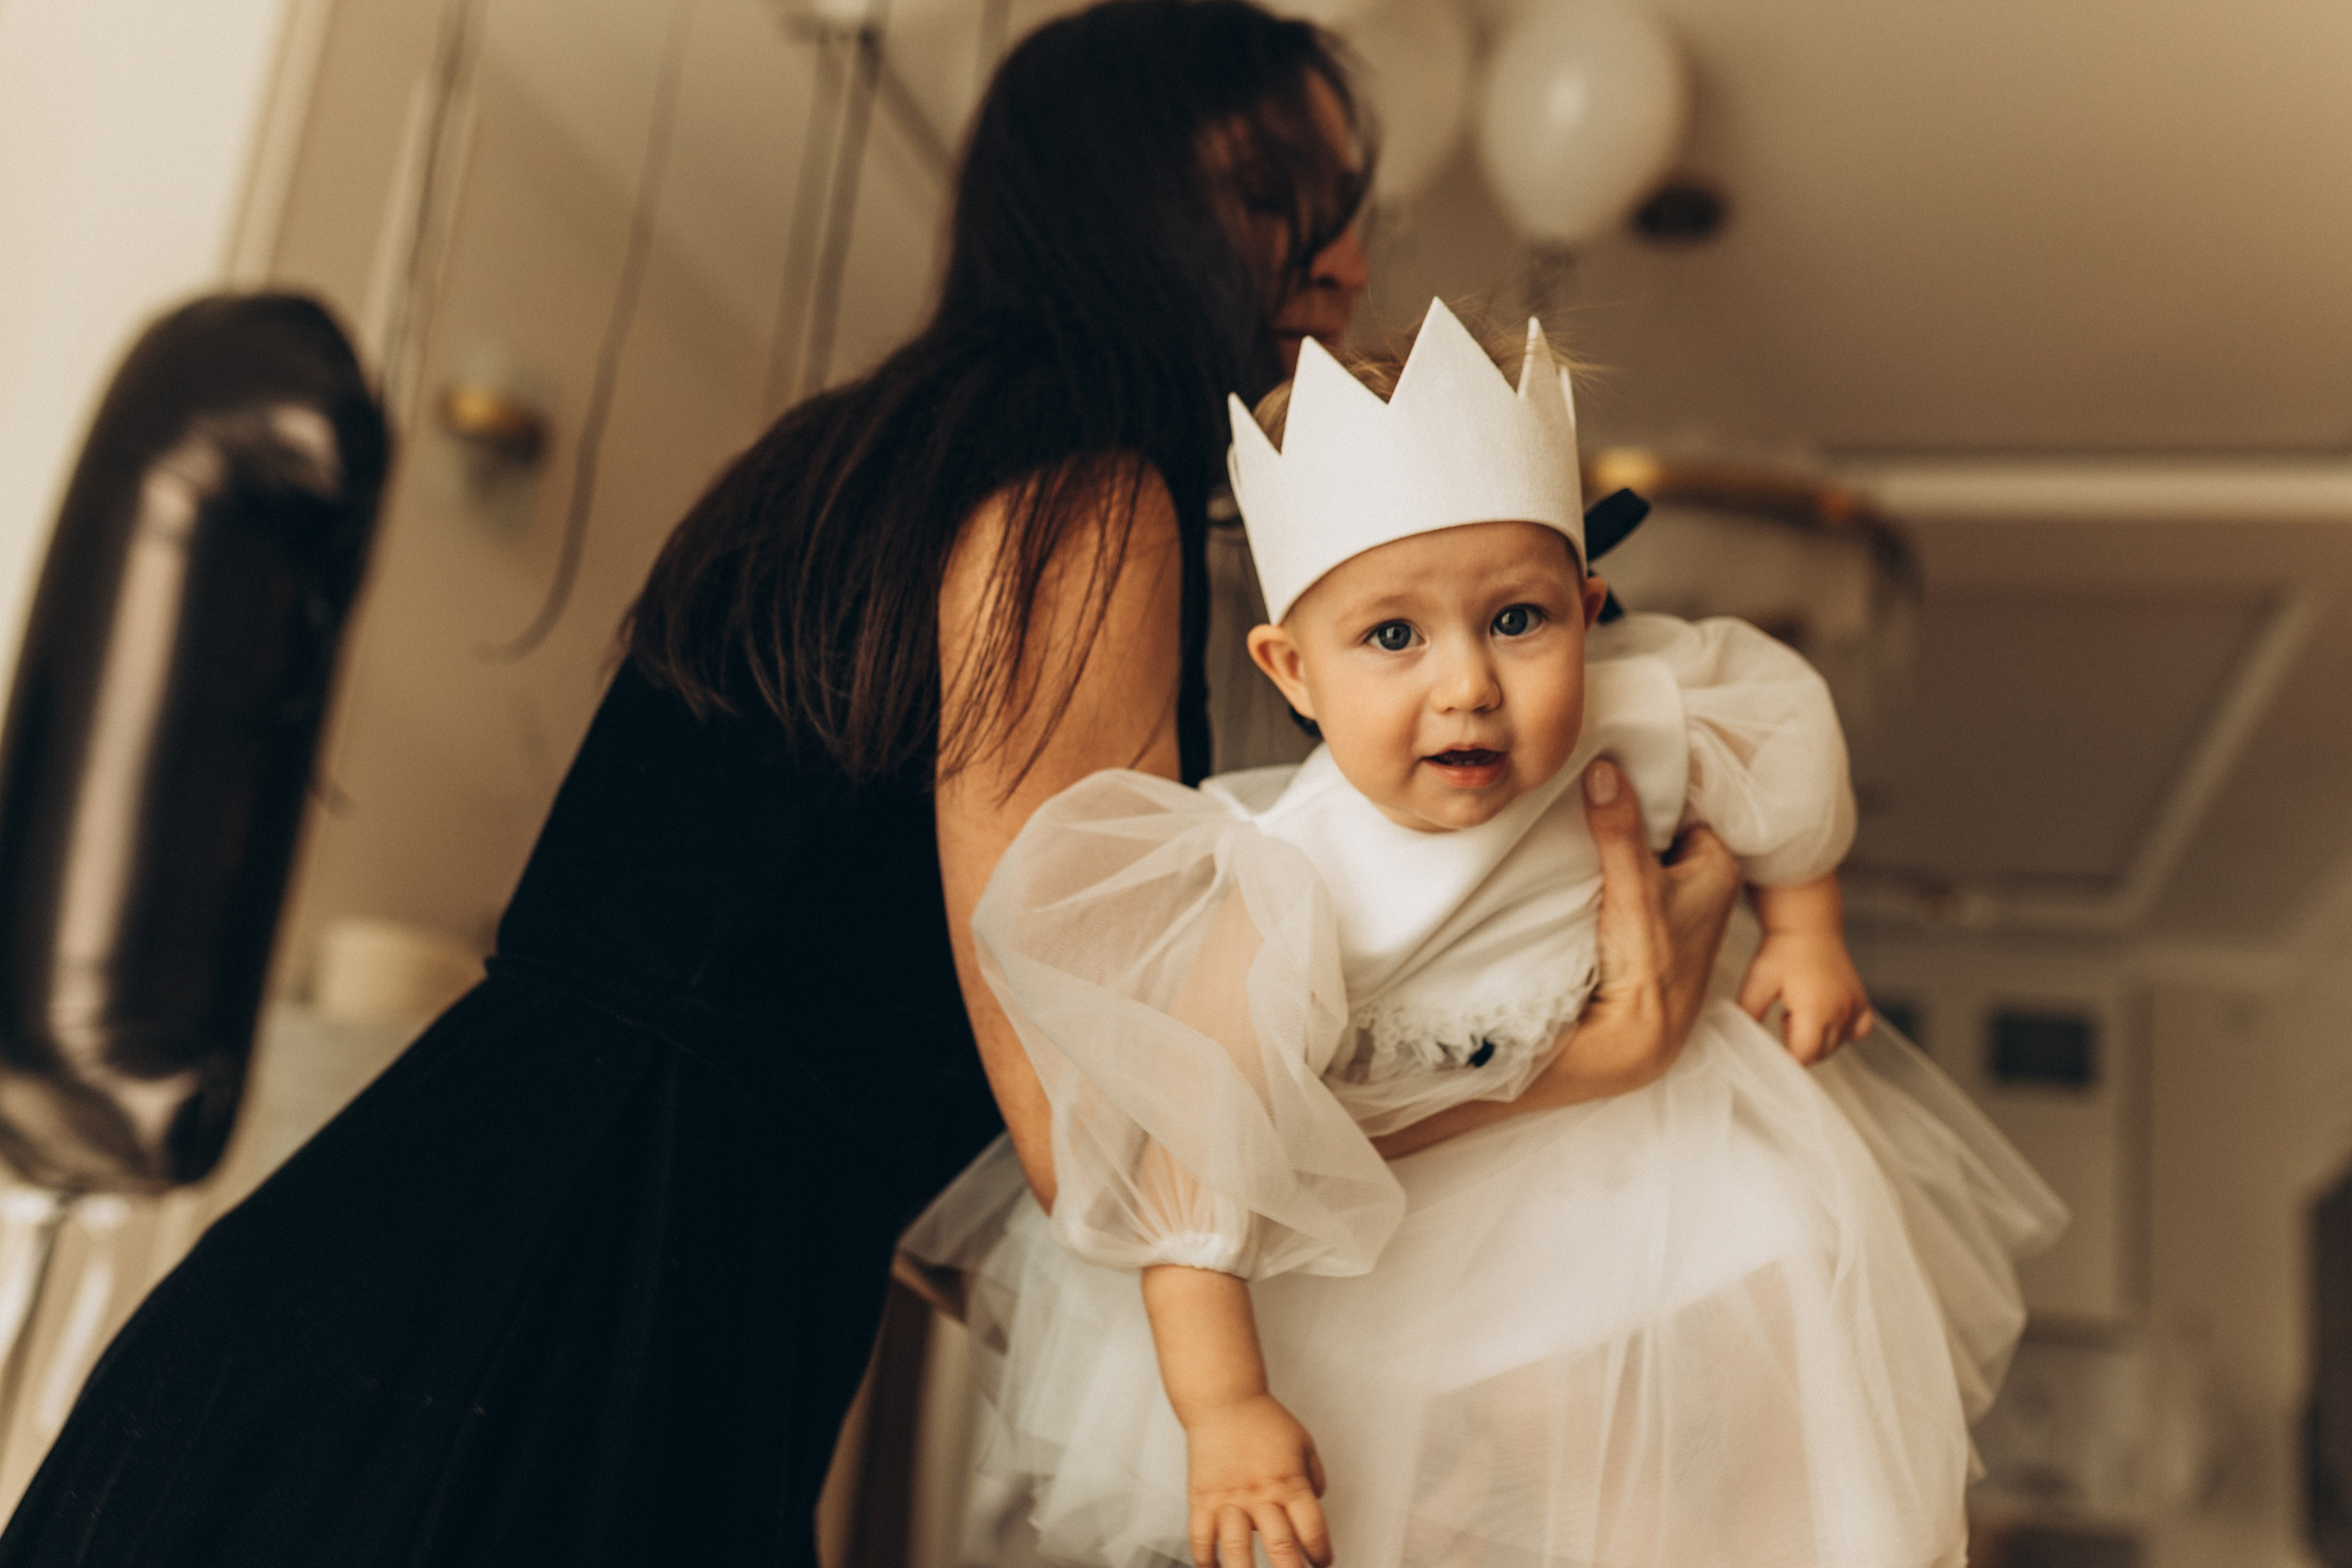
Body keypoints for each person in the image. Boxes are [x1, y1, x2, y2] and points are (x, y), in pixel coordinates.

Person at [0, 7, 1741, 1565]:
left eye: (1348, 185)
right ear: (1119, 189)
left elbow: (936, 1136)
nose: (1347, 242)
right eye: (1285, 177)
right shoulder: (1082, 494)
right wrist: (1569, 1072)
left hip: (458, 1277)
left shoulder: (868, 456)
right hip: (573, 1324)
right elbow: (1105, 1140)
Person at [904, 301, 2068, 1568]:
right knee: (1480, 1499)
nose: (1467, 682)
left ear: (1589, 606)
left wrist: (1807, 931)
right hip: (1418, 1239)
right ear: (1293, 671)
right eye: (1392, 637)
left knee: (1784, 1396)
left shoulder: (1628, 716)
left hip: (1674, 1155)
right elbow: (1195, 1170)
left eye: (1518, 621)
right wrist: (1223, 1408)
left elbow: (1771, 735)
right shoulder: (1285, 879)